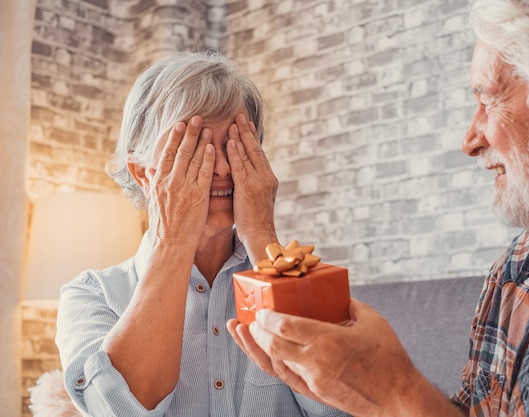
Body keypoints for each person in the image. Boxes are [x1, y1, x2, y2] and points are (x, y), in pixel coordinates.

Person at [227, 0, 529, 416]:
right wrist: (352, 387)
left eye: (489, 101)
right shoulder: (517, 269)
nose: (470, 140)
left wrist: (396, 393)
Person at [55, 51, 351, 417]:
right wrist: (174, 240)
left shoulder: (309, 283)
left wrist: (260, 232)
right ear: (143, 175)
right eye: (195, 150)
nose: (224, 167)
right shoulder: (90, 295)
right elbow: (120, 411)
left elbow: (346, 406)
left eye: (236, 145)